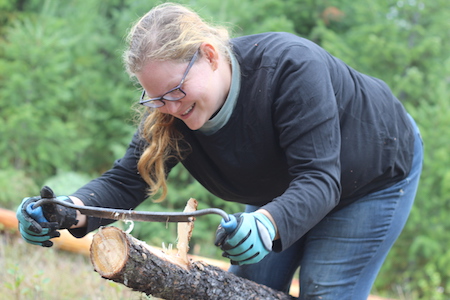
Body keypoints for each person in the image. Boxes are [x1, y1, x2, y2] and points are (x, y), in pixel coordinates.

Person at [16, 3, 423, 299]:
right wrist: (70, 208)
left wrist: (265, 224)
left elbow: (319, 179)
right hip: (286, 187)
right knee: (244, 289)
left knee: (325, 289)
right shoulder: (167, 110)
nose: (170, 107)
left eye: (177, 91)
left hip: (370, 177)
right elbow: (126, 180)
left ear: (209, 55)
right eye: (156, 98)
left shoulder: (290, 68)